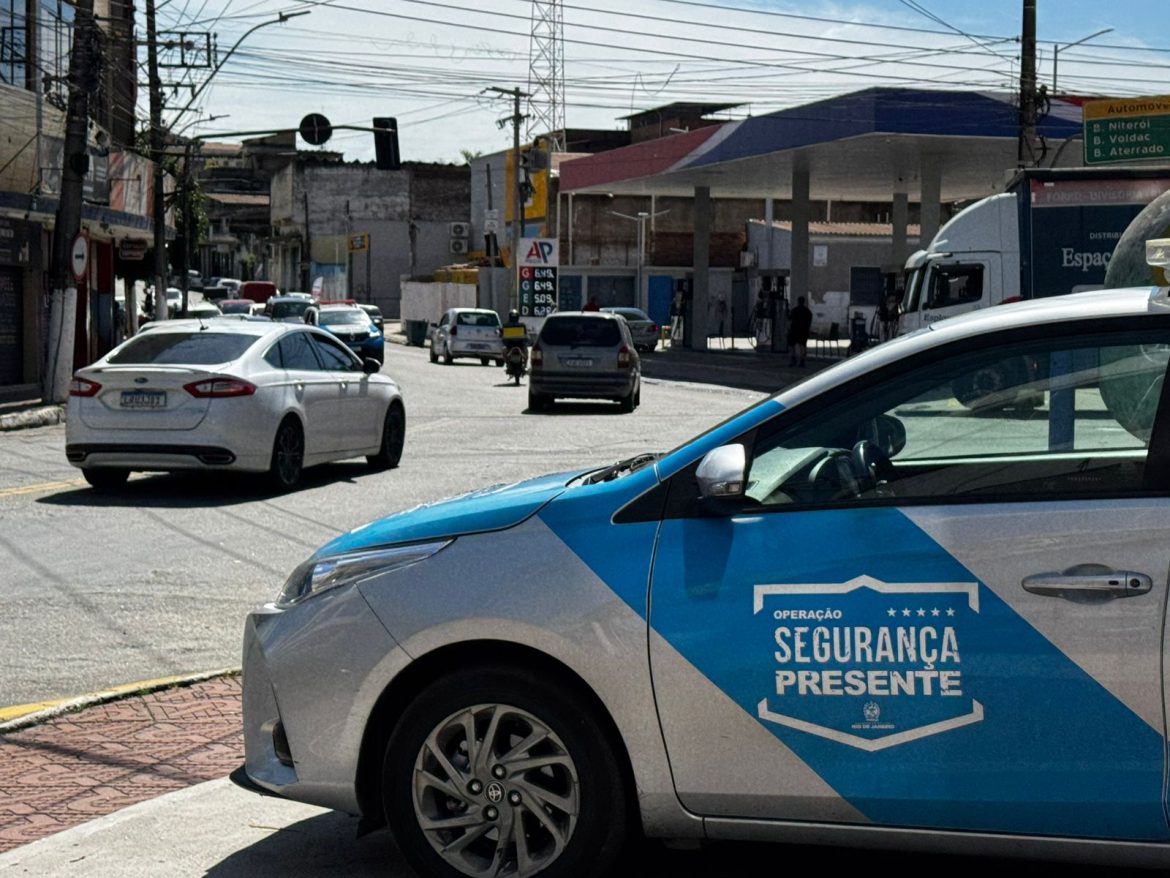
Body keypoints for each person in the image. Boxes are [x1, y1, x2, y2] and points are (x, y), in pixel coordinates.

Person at [787, 295, 812, 367]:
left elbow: (790, 320)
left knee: (792, 345)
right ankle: (802, 361)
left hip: (794, 330)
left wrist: (788, 330)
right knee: (803, 346)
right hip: (804, 331)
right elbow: (809, 322)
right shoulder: (808, 312)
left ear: (798, 302)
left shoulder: (794, 310)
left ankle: (793, 359)